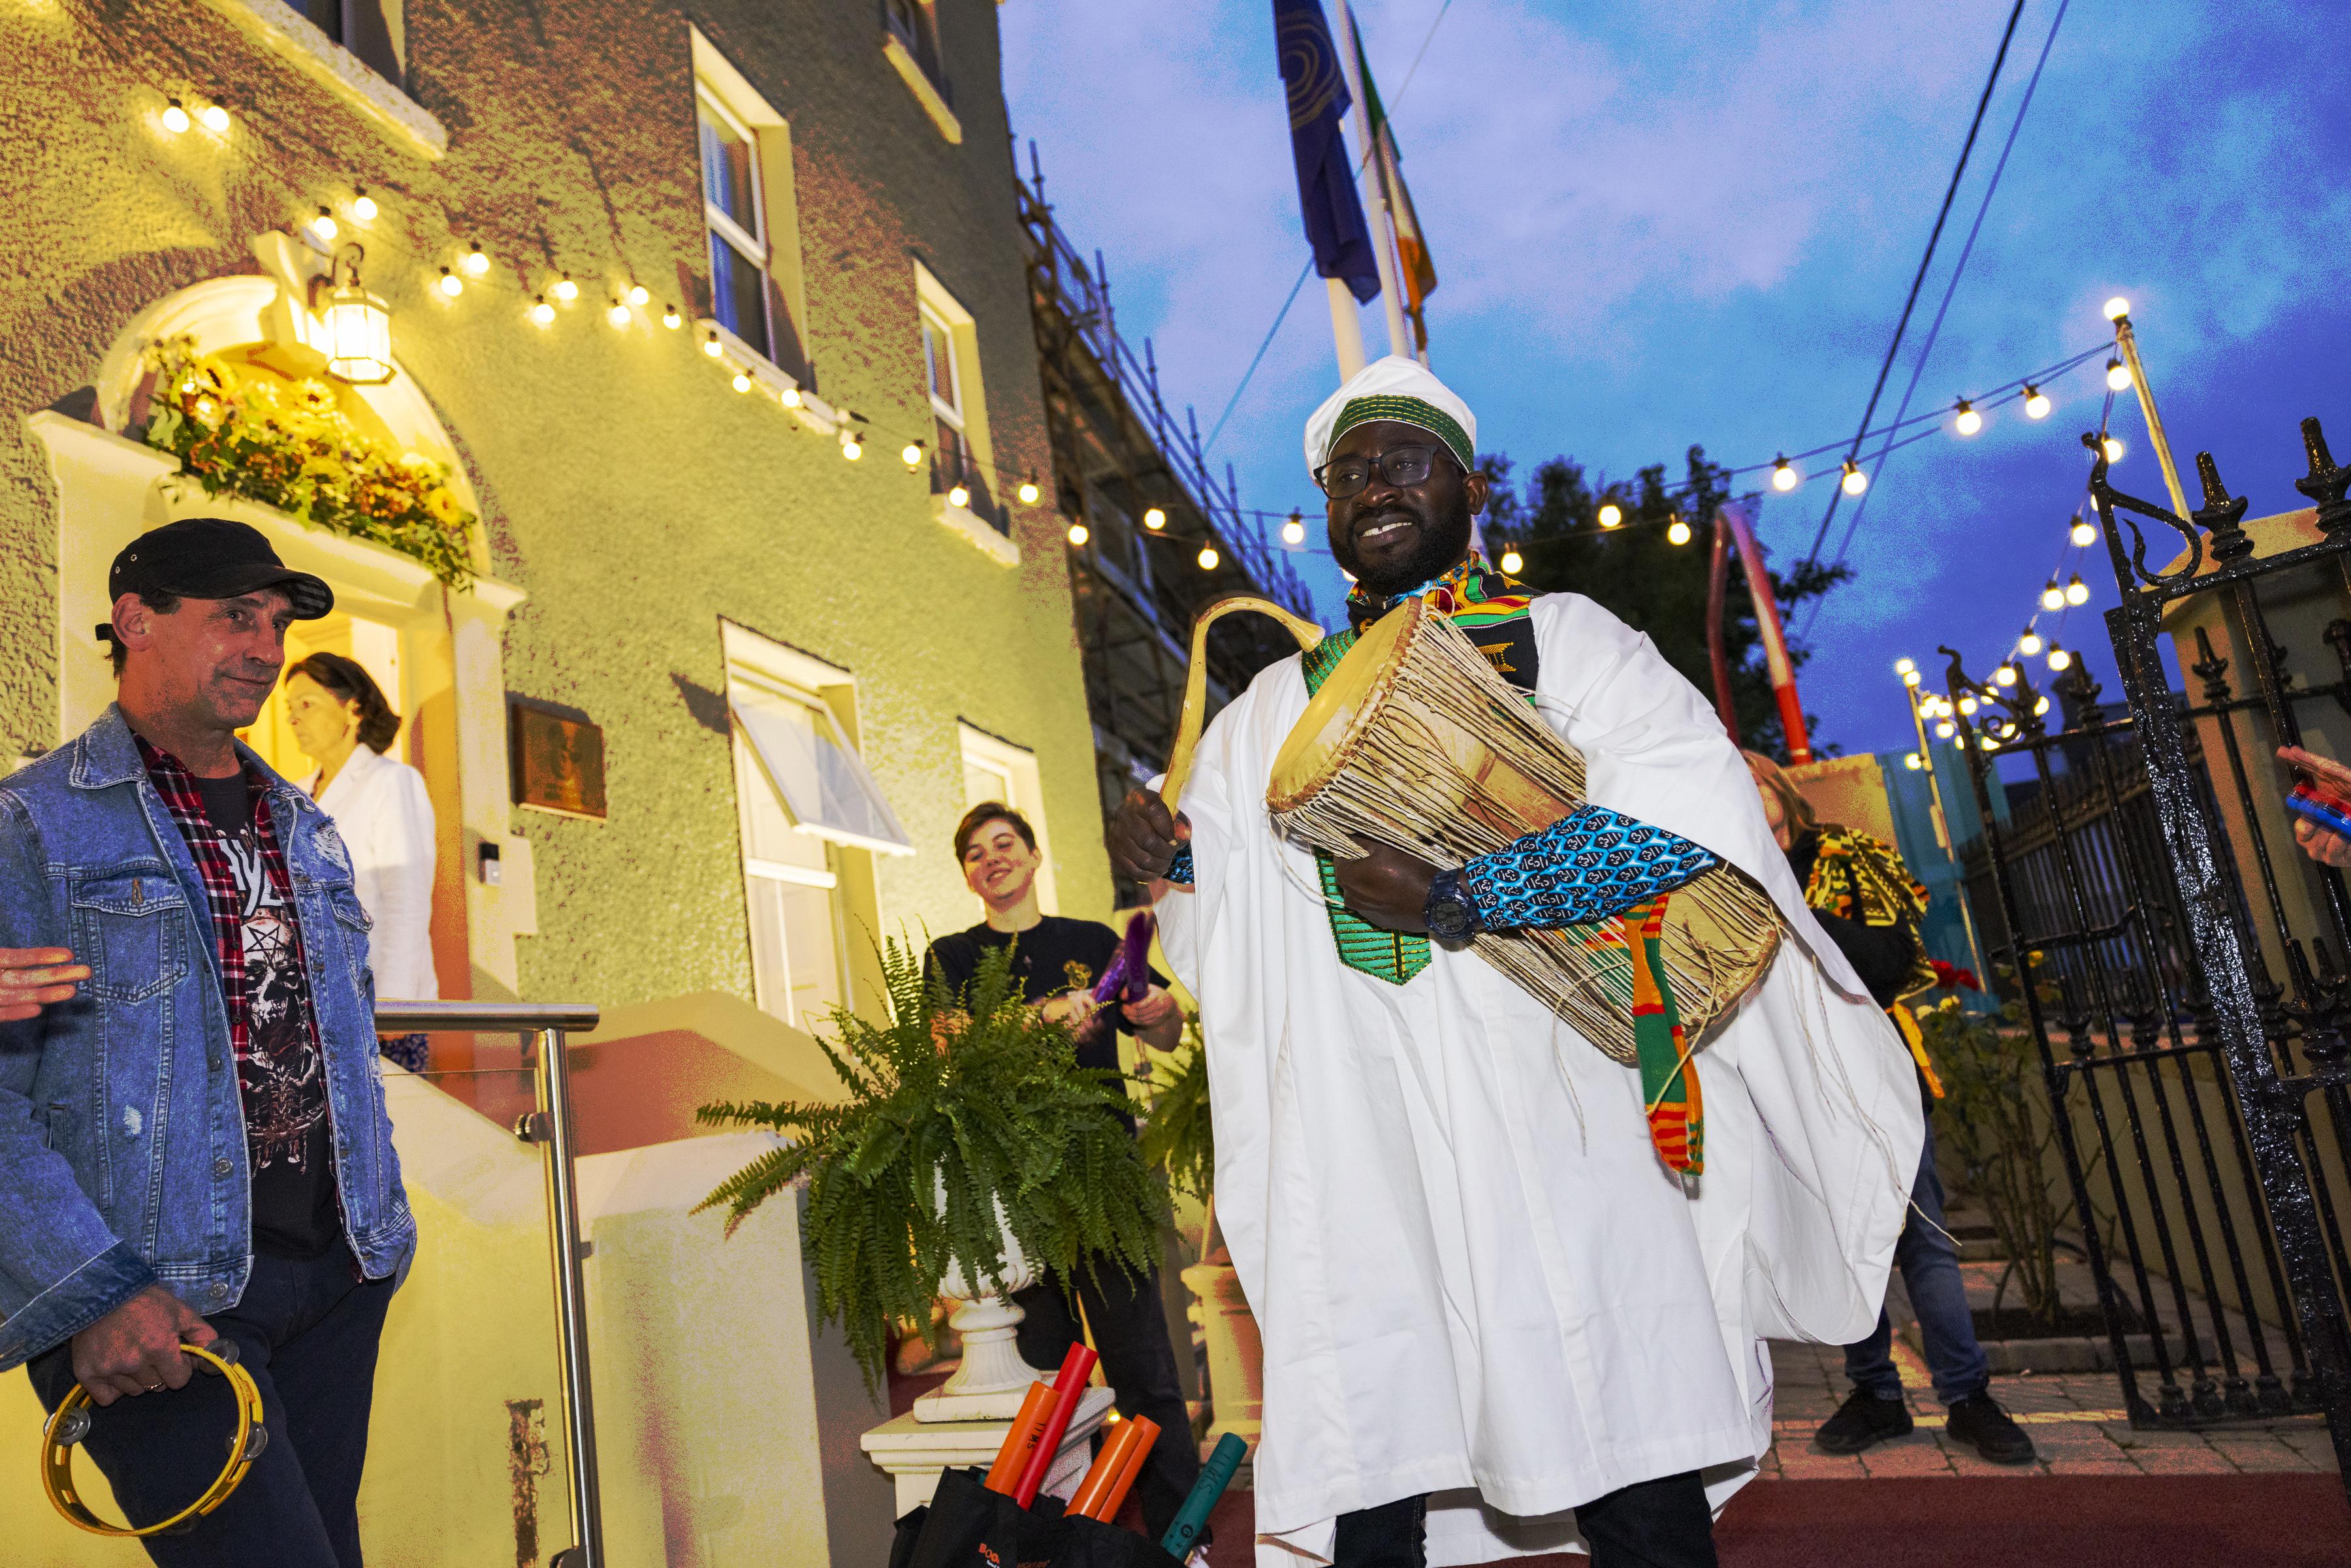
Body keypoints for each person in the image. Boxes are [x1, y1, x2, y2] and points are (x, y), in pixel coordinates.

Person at [1108, 357, 1924, 1568]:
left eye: (1405, 460)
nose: (1375, 485)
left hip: (1566, 1126)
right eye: (1348, 473)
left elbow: (1694, 825)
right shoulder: (1265, 714)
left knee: (1619, 1439)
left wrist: (1463, 894)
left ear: (1469, 486)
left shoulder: (1564, 645)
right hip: (1368, 1141)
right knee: (1378, 1456)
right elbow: (1232, 943)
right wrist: (1172, 866)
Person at [0, 517, 415, 1567]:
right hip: (159, 1305)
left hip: (336, 1279)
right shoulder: (35, 825)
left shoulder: (306, 825)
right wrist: (94, 1291)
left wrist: (379, 1240)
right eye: (235, 615)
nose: (267, 647)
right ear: (135, 620)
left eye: (275, 622)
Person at [1744, 751, 2034, 1465]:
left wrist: (1794, 910)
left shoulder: (1843, 856)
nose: (1745, 793)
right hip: (1793, 1085)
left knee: (1923, 1239)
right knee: (1845, 1242)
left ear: (1780, 789)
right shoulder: (1727, 881)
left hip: (1876, 1076)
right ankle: (1876, 1393)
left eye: (1753, 779)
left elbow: (1892, 961)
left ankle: (1968, 1395)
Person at [925, 802, 1204, 1543]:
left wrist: (1154, 1010)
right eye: (976, 852)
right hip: (1012, 1196)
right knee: (1042, 1382)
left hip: (1104, 1177)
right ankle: (1048, 1542)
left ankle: (1182, 1539)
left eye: (1005, 843)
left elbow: (1169, 1027)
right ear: (967, 875)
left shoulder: (1095, 941)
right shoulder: (952, 957)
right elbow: (952, 1043)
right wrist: (1046, 1016)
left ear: (1034, 854)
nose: (993, 858)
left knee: (1143, 1367)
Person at [283, 652, 438, 1072]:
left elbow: (406, 898)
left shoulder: (392, 782)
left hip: (377, 1004)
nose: (294, 719)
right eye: (290, 708)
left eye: (307, 704)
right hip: (311, 1005)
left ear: (351, 706)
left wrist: (395, 1003)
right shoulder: (293, 797)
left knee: (390, 1129)